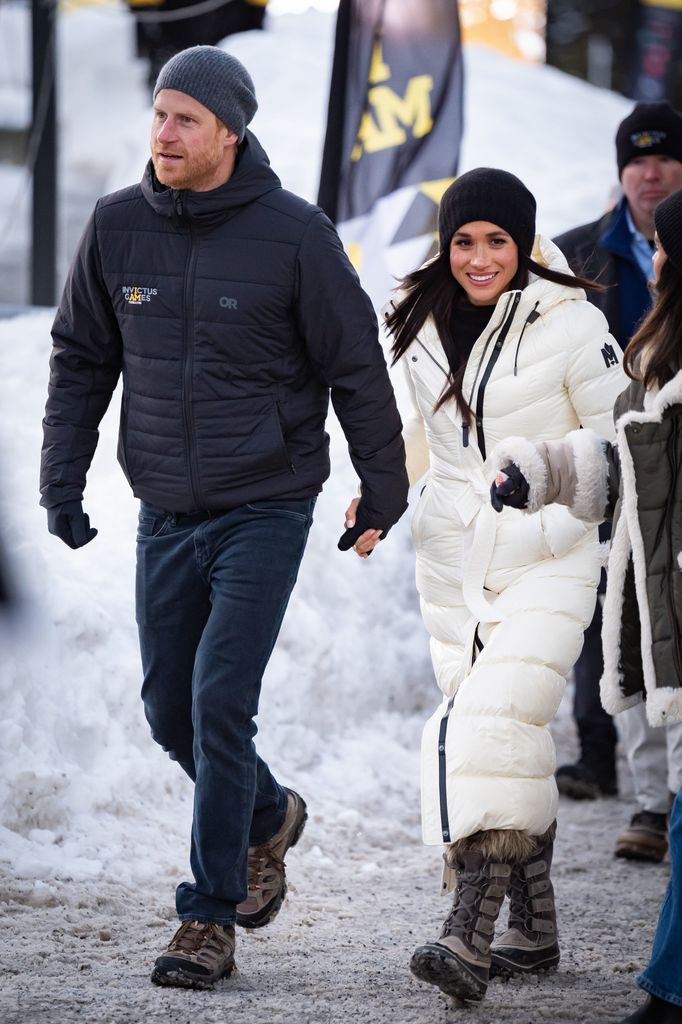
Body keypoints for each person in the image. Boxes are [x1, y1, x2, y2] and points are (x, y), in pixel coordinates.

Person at [39, 45, 408, 990]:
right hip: (166, 506)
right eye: (158, 116)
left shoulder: (295, 235)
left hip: (266, 503)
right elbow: (82, 358)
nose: (163, 133)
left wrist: (384, 483)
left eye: (184, 120)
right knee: (170, 713)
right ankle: (266, 814)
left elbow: (355, 366)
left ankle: (208, 919)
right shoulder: (118, 225)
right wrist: (64, 480)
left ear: (230, 133)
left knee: (216, 702)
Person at [350, 167, 627, 1004]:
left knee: (485, 730)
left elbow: (626, 447)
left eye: (496, 241)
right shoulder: (421, 322)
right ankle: (534, 930)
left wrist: (545, 470)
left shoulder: (574, 326)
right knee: (507, 744)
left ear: (523, 244)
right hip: (454, 566)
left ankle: (465, 936)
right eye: (463, 241)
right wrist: (383, 495)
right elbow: (427, 436)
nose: (478, 258)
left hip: (549, 553)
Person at [489, 185, 682, 1024]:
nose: (656, 255)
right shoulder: (659, 359)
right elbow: (631, 463)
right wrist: (546, 471)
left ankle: (669, 988)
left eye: (666, 246)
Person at [553, 102, 682, 866]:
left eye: (664, 156)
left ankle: (662, 793)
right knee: (611, 617)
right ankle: (622, 775)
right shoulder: (582, 256)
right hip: (609, 461)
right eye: (635, 160)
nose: (649, 170)